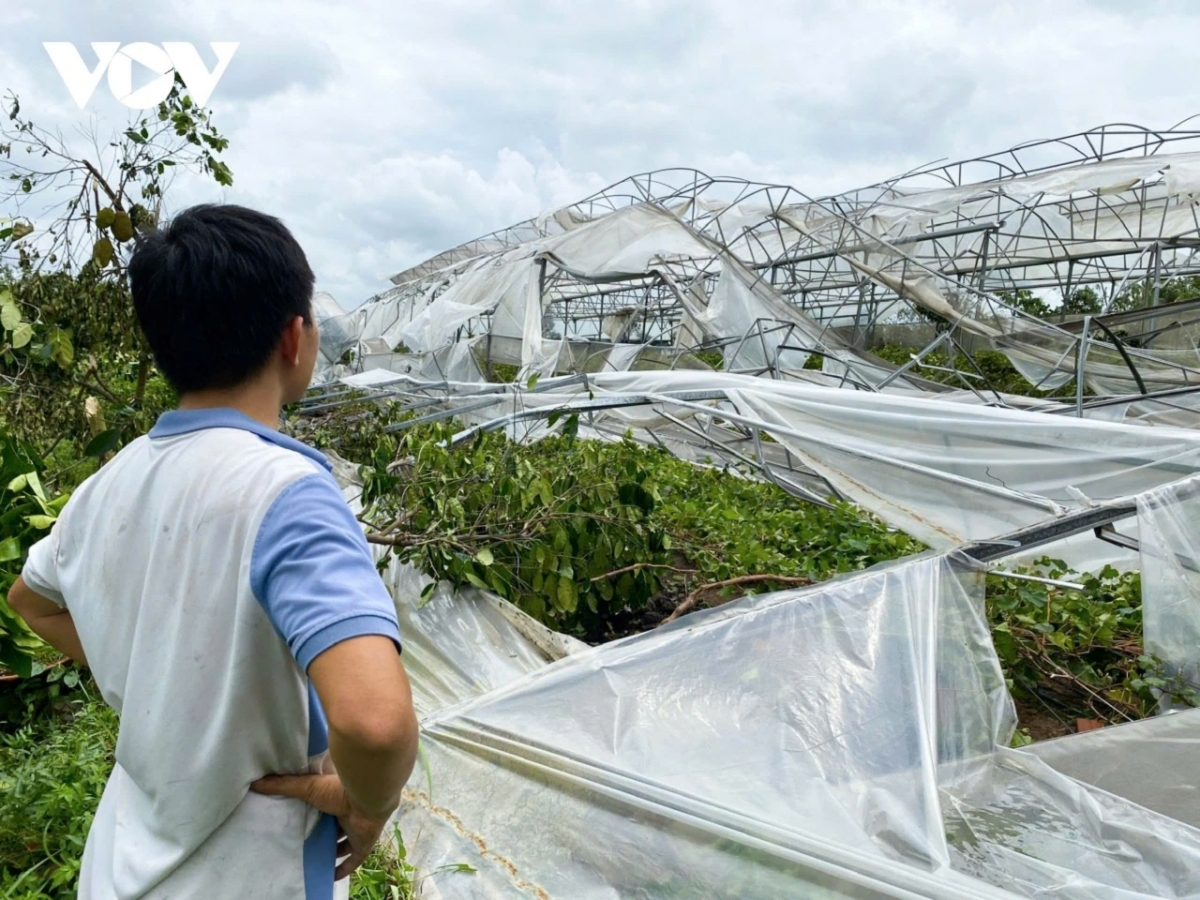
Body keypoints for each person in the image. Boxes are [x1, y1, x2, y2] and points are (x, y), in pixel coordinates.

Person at [8, 204, 419, 899]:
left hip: (119, 869)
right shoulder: (289, 492)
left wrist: (150, 674)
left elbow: (31, 600)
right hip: (248, 876)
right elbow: (375, 725)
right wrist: (367, 805)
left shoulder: (113, 481)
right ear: (296, 338)